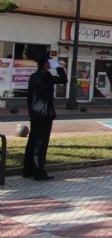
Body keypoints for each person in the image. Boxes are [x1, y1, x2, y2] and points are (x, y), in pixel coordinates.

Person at [23, 52, 67, 181]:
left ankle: (28, 170)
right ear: (45, 64)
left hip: (35, 113)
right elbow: (64, 80)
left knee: (32, 141)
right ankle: (39, 172)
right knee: (41, 143)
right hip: (45, 113)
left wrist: (31, 112)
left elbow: (29, 97)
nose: (50, 63)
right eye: (49, 62)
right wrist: (58, 67)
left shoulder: (33, 77)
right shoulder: (46, 76)